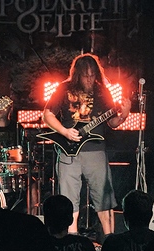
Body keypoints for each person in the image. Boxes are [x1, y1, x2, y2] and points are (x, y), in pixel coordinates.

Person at [42, 52, 131, 240]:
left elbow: (112, 122)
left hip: (96, 149)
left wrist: (124, 114)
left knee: (104, 197)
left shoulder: (102, 91)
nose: (90, 79)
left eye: (92, 74)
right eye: (85, 75)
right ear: (77, 74)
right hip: (68, 150)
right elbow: (47, 115)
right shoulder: (64, 88)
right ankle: (71, 239)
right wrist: (65, 132)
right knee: (69, 199)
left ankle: (109, 241)